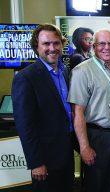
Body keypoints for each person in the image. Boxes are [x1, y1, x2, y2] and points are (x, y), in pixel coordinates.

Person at [11, 23, 74, 192]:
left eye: (56, 43)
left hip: (67, 155)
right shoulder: (26, 78)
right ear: (36, 47)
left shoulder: (66, 72)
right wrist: (36, 162)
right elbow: (25, 126)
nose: (52, 48)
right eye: (46, 44)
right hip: (44, 161)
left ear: (62, 44)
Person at [68, 29, 110, 192]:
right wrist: (84, 147)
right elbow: (77, 112)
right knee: (96, 185)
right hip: (96, 137)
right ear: (93, 46)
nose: (106, 47)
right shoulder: (82, 71)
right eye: (101, 43)